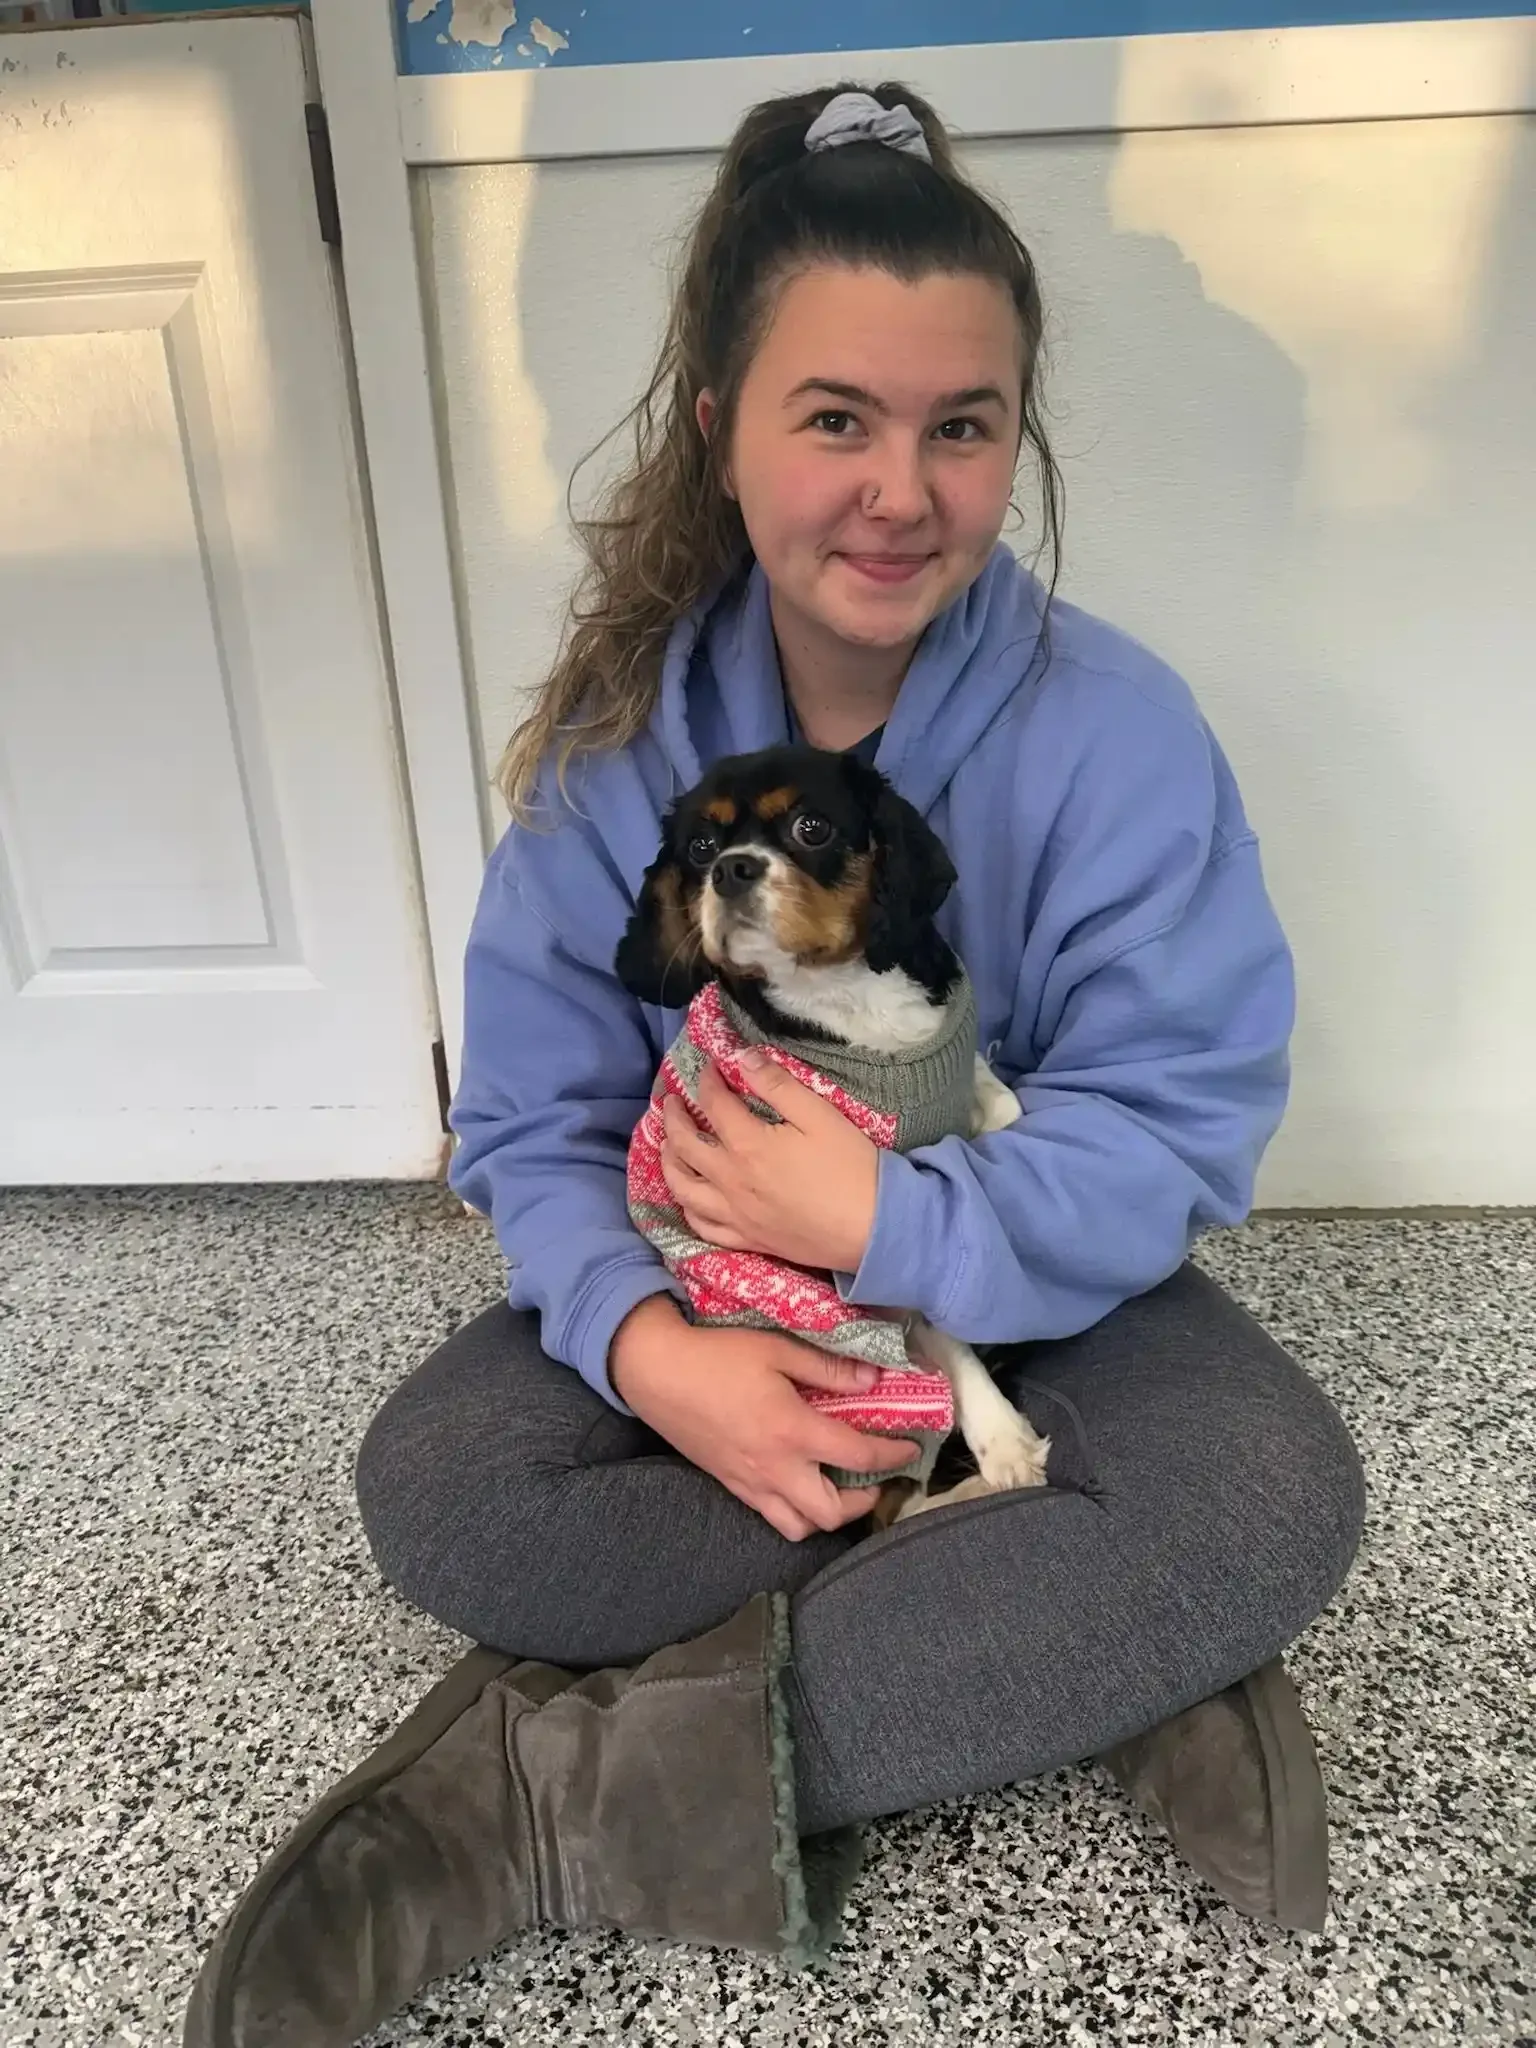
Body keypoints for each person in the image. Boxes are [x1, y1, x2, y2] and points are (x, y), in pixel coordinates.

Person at [185, 84, 1366, 2043]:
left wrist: (897, 1216)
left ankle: (545, 1801)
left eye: (960, 427)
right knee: (443, 1478)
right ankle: (1086, 1652)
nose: (901, 487)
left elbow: (1175, 1128)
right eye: (837, 417)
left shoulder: (1126, 734)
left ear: (1015, 442)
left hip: (1039, 1306)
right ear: (726, 428)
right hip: (726, 1305)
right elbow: (537, 1124)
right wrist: (662, 1359)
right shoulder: (620, 736)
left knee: (1264, 1495)